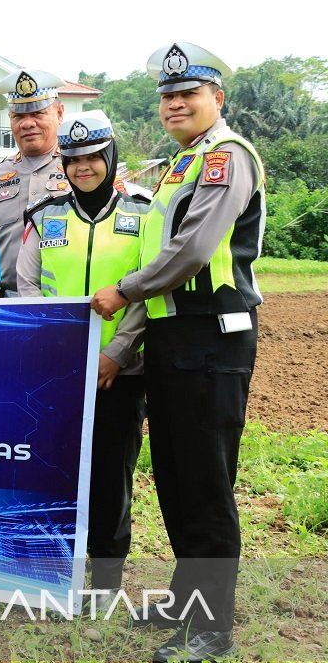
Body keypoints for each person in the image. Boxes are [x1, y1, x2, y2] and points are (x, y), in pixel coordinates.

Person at [91, 42, 264, 663]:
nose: (175, 103)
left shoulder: (226, 159)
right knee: (176, 475)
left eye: (188, 93)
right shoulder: (179, 165)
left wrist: (124, 290)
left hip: (211, 337)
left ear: (217, 97)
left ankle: (212, 628)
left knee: (205, 483)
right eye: (167, 96)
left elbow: (192, 251)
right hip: (173, 339)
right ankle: (186, 599)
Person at [16, 110, 148, 608]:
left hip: (122, 370)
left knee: (111, 476)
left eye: (94, 156)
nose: (84, 167)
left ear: (110, 156)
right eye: (73, 159)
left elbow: (147, 291)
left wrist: (116, 353)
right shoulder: (46, 215)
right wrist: (51, 344)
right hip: (57, 370)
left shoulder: (143, 212)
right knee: (53, 469)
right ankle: (51, 570)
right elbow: (25, 284)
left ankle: (106, 580)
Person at [0, 69, 70, 295]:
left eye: (38, 113)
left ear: (59, 113)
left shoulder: (82, 171)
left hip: (67, 300)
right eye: (19, 116)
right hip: (6, 301)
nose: (28, 124)